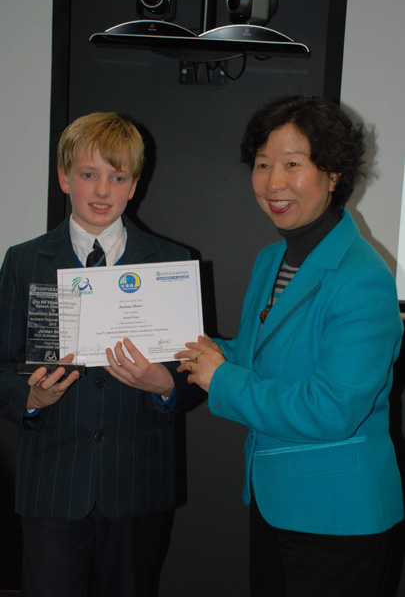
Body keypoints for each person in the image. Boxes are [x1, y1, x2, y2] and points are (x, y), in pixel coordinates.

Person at [175, 96, 404, 596]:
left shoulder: (362, 277)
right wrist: (186, 354)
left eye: (293, 164)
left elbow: (332, 408)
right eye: (262, 165)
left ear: (334, 173)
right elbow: (257, 357)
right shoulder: (272, 259)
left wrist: (222, 379)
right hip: (276, 498)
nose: (273, 182)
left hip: (338, 517)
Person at [0, 112, 202, 597]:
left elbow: (195, 369)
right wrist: (30, 399)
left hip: (137, 484)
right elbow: (3, 363)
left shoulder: (171, 262)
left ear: (135, 185)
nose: (102, 190)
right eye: (88, 174)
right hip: (52, 482)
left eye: (118, 177)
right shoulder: (24, 261)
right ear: (64, 177)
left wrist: (166, 386)